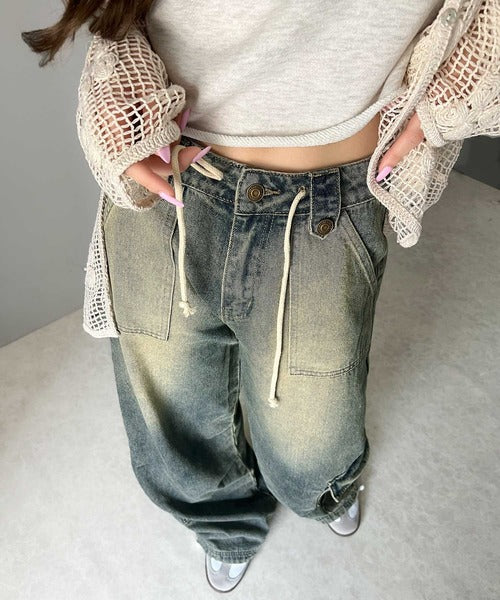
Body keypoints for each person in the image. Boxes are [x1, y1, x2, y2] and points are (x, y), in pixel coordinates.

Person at [21, 0, 498, 593]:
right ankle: (223, 526)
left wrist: (451, 94)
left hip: (326, 205)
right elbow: (121, 21)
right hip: (172, 181)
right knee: (172, 416)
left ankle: (324, 490)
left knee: (310, 443)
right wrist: (118, 94)